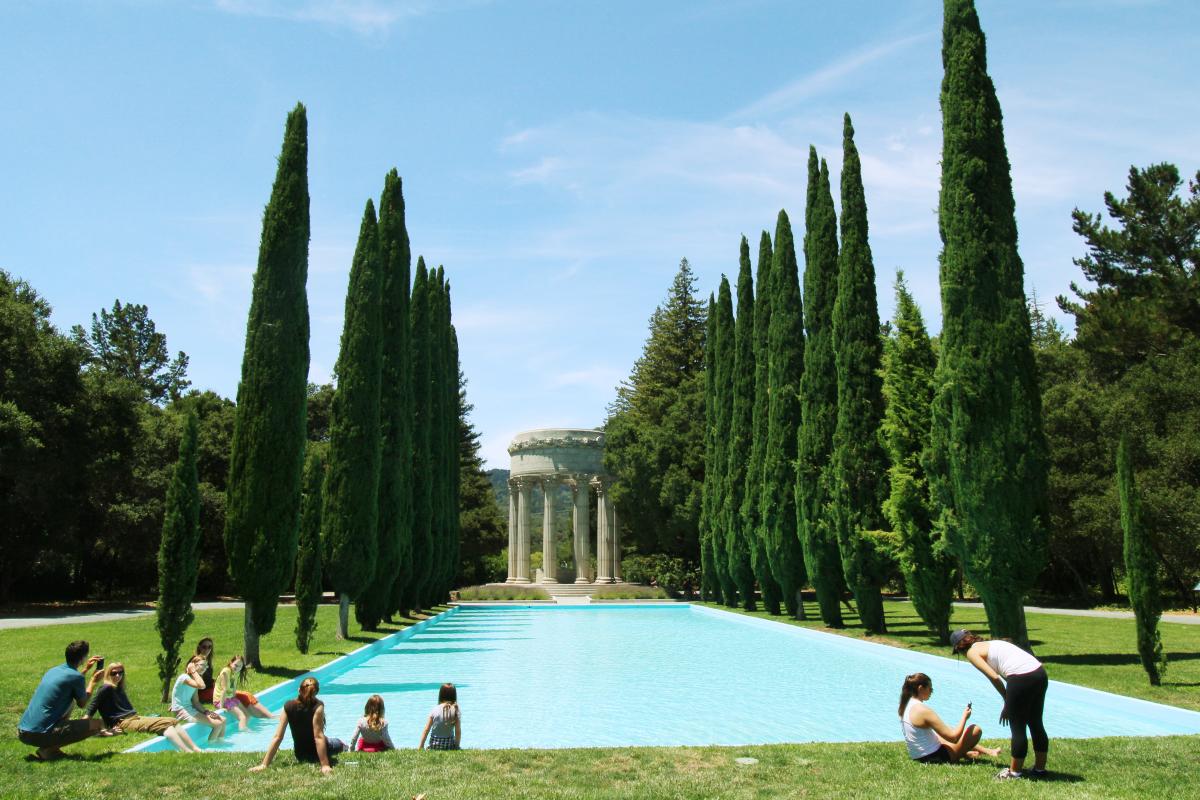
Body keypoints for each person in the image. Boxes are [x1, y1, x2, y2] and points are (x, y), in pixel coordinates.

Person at [951, 629, 1050, 780]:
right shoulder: (991, 643)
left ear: (959, 648)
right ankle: (1040, 769)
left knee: (1018, 728)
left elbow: (994, 677)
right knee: (1036, 723)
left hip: (1021, 677)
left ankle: (1014, 773)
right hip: (1039, 673)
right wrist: (1009, 701)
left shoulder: (972, 652)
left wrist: (1007, 700)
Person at [84, 661, 202, 752]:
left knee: (173, 721)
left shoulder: (118, 688)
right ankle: (187, 752)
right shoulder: (105, 688)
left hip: (134, 718)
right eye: (114, 673)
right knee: (165, 724)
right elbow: (91, 709)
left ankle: (195, 749)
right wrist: (103, 730)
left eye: (121, 673)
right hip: (123, 722)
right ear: (108, 674)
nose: (118, 676)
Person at [18, 640, 105, 761]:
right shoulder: (76, 677)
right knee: (98, 725)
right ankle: (48, 750)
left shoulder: (53, 670)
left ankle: (52, 748)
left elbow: (70, 681)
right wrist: (93, 682)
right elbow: (82, 703)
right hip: (38, 734)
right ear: (83, 658)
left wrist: (85, 670)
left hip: (23, 732)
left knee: (69, 702)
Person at [898, 672, 1001, 764]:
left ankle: (988, 752)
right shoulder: (922, 710)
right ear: (920, 688)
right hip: (934, 757)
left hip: (918, 755)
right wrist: (964, 717)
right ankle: (964, 753)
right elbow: (954, 738)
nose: (932, 691)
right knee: (975, 730)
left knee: (949, 729)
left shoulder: (905, 705)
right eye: (930, 688)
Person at [250, 677, 345, 775]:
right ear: (316, 692)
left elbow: (278, 737)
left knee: (328, 740)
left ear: (299, 690)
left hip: (300, 755)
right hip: (319, 752)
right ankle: (345, 746)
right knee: (337, 743)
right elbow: (318, 737)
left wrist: (264, 764)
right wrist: (325, 765)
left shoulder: (288, 706)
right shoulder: (318, 706)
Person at [171, 655, 226, 742]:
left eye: (206, 666)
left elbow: (195, 702)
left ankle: (220, 743)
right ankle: (212, 748)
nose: (205, 668)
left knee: (223, 720)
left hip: (190, 708)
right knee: (218, 724)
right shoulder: (184, 677)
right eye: (202, 665)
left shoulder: (194, 680)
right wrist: (193, 671)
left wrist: (206, 712)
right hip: (181, 710)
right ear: (193, 665)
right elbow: (202, 686)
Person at [213, 655, 274, 731]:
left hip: (229, 699)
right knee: (242, 717)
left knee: (248, 715)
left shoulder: (236, 673)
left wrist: (235, 701)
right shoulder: (226, 671)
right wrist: (221, 707)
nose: (237, 668)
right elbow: (224, 689)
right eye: (235, 665)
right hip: (220, 700)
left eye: (240, 666)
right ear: (231, 662)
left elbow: (234, 688)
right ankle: (243, 733)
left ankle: (242, 728)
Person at [418, 683, 461, 750]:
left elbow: (426, 729)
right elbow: (457, 732)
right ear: (454, 696)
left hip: (434, 745)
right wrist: (457, 746)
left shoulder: (435, 709)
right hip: (448, 746)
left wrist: (421, 746)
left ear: (441, 695)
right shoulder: (455, 710)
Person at [193, 638, 215, 705]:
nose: (207, 649)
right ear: (199, 647)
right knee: (226, 694)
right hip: (201, 692)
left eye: (209, 647)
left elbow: (207, 679)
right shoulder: (197, 661)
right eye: (204, 647)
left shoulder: (207, 661)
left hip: (208, 689)